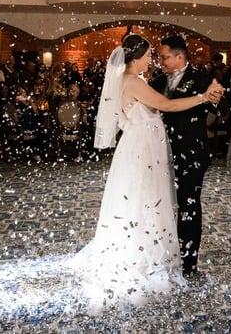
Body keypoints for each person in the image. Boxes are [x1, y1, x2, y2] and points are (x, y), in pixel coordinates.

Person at [70, 34, 223, 312]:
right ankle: (145, 256)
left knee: (158, 200)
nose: (154, 61)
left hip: (163, 150)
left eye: (160, 56)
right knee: (147, 199)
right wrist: (201, 97)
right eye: (150, 56)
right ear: (135, 59)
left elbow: (211, 105)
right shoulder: (137, 82)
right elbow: (167, 105)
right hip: (144, 151)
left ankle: (179, 258)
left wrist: (212, 95)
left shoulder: (134, 81)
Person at [150, 35, 227, 276]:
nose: (160, 60)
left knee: (188, 205)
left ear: (180, 56)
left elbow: (224, 109)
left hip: (192, 153)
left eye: (164, 57)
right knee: (160, 205)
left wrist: (217, 98)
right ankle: (163, 254)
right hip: (160, 153)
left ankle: (188, 264)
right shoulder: (157, 80)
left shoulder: (203, 79)